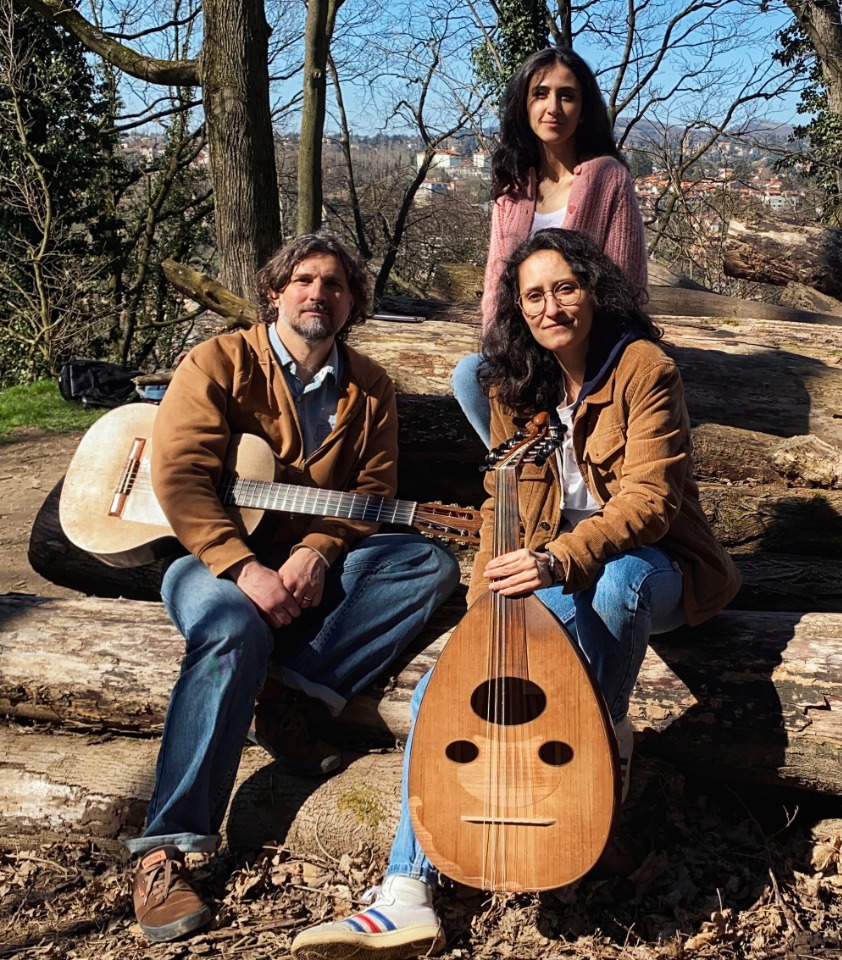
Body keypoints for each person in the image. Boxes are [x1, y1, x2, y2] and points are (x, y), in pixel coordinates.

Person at [288, 229, 740, 960]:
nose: (551, 305)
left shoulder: (643, 369)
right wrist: (485, 625)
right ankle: (404, 893)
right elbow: (506, 513)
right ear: (517, 308)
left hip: (654, 566)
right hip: (557, 569)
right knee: (447, 685)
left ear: (594, 291)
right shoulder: (512, 386)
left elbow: (651, 502)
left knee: (621, 580)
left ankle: (599, 748)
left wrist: (558, 561)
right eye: (534, 294)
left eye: (565, 287)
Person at [125, 233, 461, 944]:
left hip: (311, 558)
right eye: (303, 280)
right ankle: (166, 849)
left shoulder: (369, 387)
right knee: (233, 628)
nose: (318, 294)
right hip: (209, 557)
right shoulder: (219, 361)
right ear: (275, 292)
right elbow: (181, 477)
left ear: (352, 304)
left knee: (428, 564)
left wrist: (315, 550)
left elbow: (373, 490)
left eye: (335, 284)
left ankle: (290, 694)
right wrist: (243, 567)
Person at [452, 46, 648, 446]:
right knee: (469, 376)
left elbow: (626, 285)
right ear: (524, 104)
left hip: (591, 353)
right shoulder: (512, 189)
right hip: (526, 350)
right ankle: (531, 475)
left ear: (583, 108)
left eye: (567, 95)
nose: (553, 106)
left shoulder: (608, 177)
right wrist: (505, 350)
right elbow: (496, 284)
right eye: (540, 93)